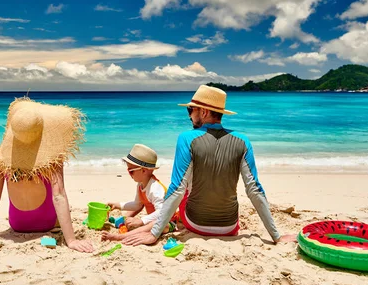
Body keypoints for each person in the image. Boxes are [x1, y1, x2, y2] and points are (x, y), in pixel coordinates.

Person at [123, 85, 295, 246]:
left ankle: (176, 224)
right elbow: (254, 190)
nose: (189, 115)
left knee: (181, 188)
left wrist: (154, 233)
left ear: (204, 112)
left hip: (195, 224)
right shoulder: (243, 141)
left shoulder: (186, 138)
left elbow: (177, 190)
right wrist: (276, 236)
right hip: (229, 227)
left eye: (190, 110)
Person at [0, 97, 93, 253]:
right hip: (47, 223)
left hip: (18, 224)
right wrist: (71, 241)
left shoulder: (2, 159)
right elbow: (58, 196)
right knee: (65, 208)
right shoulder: (52, 160)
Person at [102, 144, 175, 241]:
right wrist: (118, 205)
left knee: (154, 224)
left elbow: (162, 213)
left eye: (131, 171)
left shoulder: (155, 188)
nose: (129, 174)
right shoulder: (141, 184)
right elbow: (137, 205)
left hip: (168, 222)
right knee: (146, 223)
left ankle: (120, 237)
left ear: (144, 171)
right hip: (153, 220)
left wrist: (141, 221)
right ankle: (122, 222)